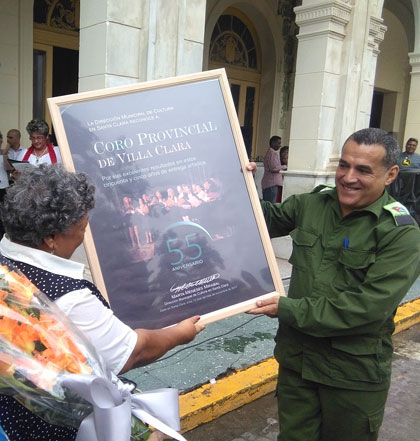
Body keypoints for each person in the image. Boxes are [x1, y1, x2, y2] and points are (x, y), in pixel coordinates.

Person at [0, 165, 204, 441]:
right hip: (58, 427)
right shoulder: (67, 295)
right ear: (50, 239)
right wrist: (180, 333)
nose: (84, 236)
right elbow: (131, 353)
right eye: (81, 228)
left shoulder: (6, 265)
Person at [247, 128, 420, 441]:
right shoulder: (313, 206)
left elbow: (366, 308)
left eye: (363, 170)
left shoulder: (400, 233)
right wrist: (239, 184)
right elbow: (260, 220)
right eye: (344, 165)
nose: (348, 177)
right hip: (297, 365)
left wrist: (286, 308)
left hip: (351, 377)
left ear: (391, 174)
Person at [261, 136, 287, 203]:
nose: (280, 145)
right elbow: (274, 168)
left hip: (269, 183)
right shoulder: (272, 153)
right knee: (270, 205)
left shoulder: (270, 152)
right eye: (278, 143)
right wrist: (284, 167)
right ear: (273, 143)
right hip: (271, 184)